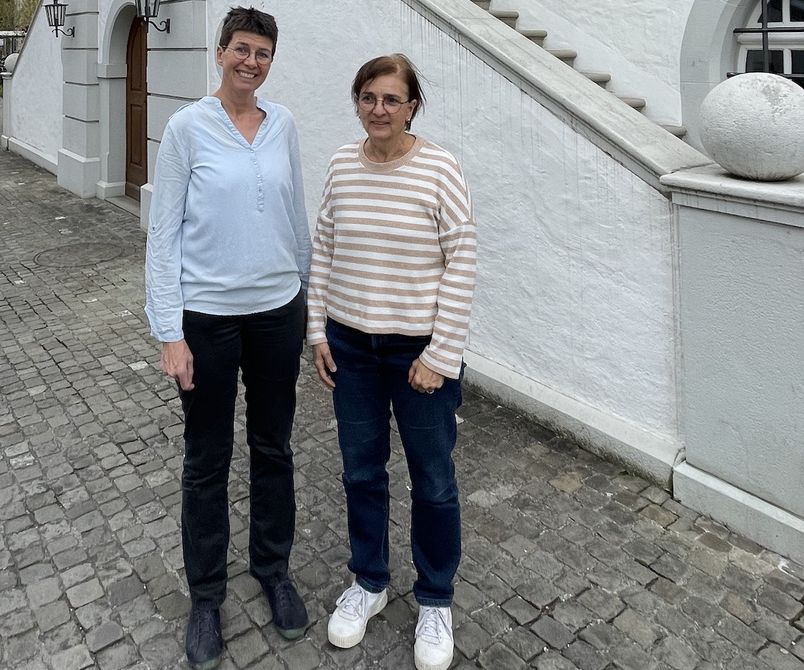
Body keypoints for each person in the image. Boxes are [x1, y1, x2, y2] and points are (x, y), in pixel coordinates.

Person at [143, 7, 312, 669]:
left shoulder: (284, 124)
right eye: (242, 49)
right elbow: (163, 234)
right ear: (220, 53)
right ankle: (207, 597)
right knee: (207, 458)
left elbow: (295, 215)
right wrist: (169, 331)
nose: (251, 62)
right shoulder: (187, 128)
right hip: (207, 319)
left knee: (273, 447)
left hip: (277, 313)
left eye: (262, 53)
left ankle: (273, 570)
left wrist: (309, 305)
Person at [306, 54, 477, 670]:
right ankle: (370, 581)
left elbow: (463, 259)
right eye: (368, 98)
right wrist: (317, 330)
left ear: (412, 107)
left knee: (432, 480)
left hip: (418, 356)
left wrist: (441, 354)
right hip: (351, 349)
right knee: (361, 472)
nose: (379, 109)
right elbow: (324, 246)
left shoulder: (439, 168)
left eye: (391, 99)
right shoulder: (340, 164)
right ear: (357, 101)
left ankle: (435, 597)